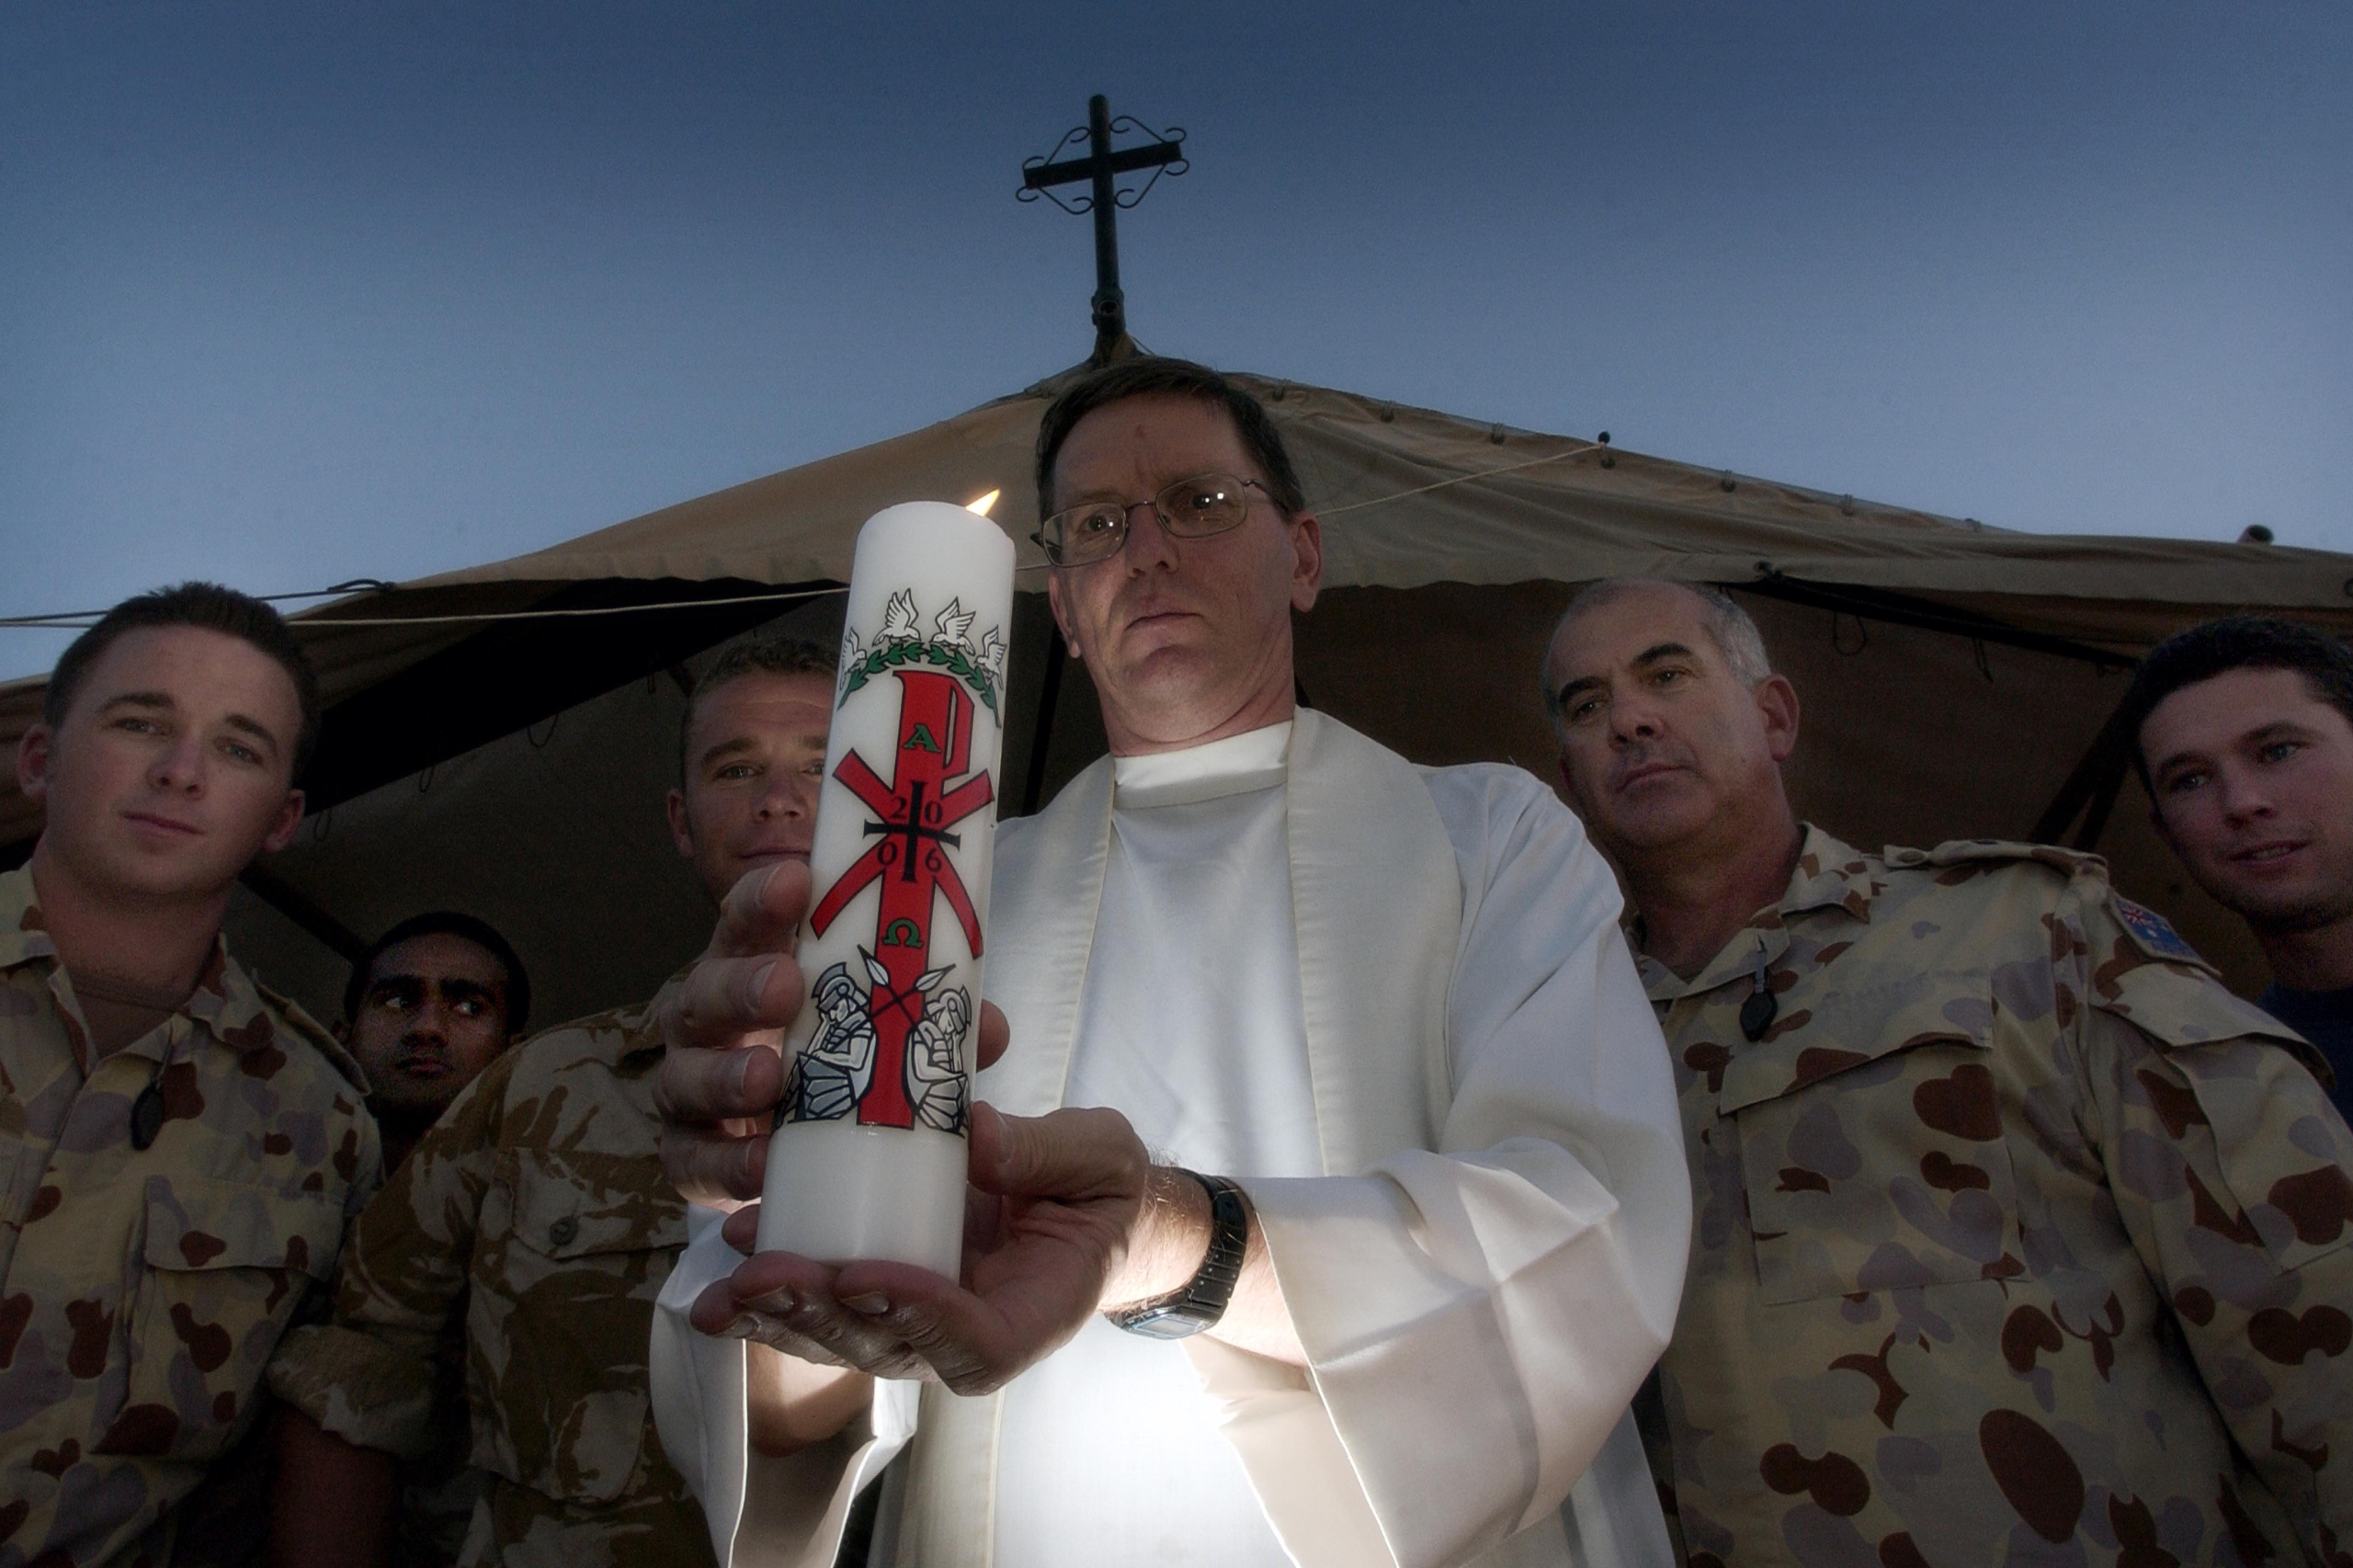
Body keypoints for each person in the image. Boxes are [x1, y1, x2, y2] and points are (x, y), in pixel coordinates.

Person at [649, 358, 1692, 1568]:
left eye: (1200, 502)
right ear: (1066, 609)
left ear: (1303, 557)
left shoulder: (1488, 836)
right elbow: (783, 1394)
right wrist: (791, 1246)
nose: (1145, 548)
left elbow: (1591, 1218)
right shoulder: (927, 896)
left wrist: (1186, 1244)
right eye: (1098, 524)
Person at [1541, 577, 2353, 1566]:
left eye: (1665, 673)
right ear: (1569, 774)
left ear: (1774, 715)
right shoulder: (1549, 1042)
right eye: (1586, 706)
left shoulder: (2026, 931)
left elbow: (2304, 1299)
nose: (1627, 716)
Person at [267, 636, 840, 1568]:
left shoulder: (999, 1080)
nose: (778, 796)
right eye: (735, 767)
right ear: (681, 819)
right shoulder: (541, 1087)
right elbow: (359, 1364)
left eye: (823, 762)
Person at [0, 583, 381, 1568]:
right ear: (37, 758)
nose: (180, 772)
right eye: (141, 722)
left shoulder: (320, 1122)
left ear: (282, 816)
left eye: (238, 747)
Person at [2122, 614, 2353, 1121]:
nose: (2242, 802)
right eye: (2190, 780)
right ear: (2166, 832)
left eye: (2279, 751)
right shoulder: (2225, 1095)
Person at [343, 911, 531, 1173]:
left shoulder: (553, 1204)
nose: (426, 1028)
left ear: (514, 1054)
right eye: (398, 1002)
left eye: (468, 1007)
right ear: (342, 1038)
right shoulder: (270, 1176)